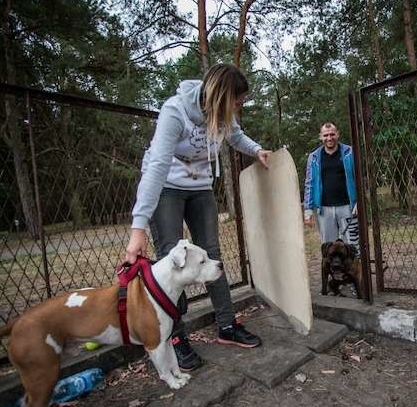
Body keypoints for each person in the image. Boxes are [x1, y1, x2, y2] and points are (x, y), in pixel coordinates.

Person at [124, 63, 271, 372]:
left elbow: (236, 137)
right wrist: (139, 226)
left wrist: (256, 150)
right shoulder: (175, 111)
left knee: (211, 256)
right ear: (221, 96)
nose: (239, 106)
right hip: (166, 188)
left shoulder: (224, 117)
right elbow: (157, 166)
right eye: (237, 100)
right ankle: (176, 339)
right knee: (170, 260)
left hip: (200, 188)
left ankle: (227, 325)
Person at [303, 122, 357, 244]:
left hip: (347, 206)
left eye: (332, 134)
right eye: (326, 135)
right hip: (324, 209)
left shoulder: (350, 153)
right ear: (321, 137)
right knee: (329, 247)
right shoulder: (314, 157)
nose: (329, 138)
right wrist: (308, 210)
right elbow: (309, 184)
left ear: (337, 134)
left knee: (351, 245)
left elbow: (359, 178)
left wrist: (358, 202)